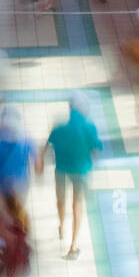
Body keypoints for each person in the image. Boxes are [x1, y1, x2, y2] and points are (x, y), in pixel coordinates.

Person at [38, 91, 102, 260]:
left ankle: (61, 225)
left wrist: (41, 166)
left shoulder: (59, 127)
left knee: (60, 200)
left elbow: (45, 147)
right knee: (77, 205)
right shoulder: (89, 127)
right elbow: (96, 148)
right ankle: (73, 245)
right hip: (81, 171)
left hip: (61, 169)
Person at [0, 105, 37, 203]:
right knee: (19, 210)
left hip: (1, 181)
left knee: (4, 211)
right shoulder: (27, 139)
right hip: (21, 181)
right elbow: (37, 163)